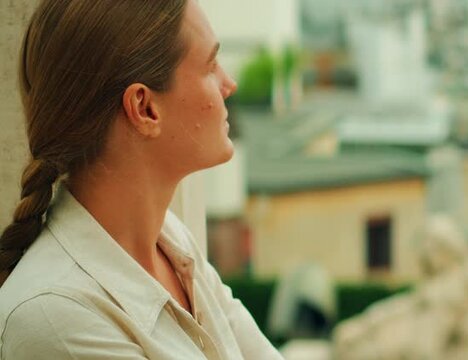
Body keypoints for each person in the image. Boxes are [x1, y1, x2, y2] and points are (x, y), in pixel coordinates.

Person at [0, 0, 283, 358]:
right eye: (210, 66)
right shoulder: (56, 318)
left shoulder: (171, 242)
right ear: (145, 108)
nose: (229, 83)